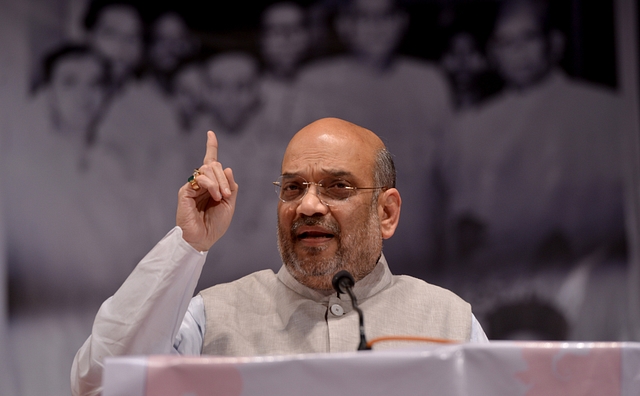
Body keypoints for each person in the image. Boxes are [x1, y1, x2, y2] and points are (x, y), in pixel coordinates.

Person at [71, 117, 488, 396]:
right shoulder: (212, 317)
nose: (307, 206)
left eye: (336, 187)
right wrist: (186, 244)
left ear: (387, 212)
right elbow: (102, 385)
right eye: (292, 188)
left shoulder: (448, 322)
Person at [290, 0, 454, 276]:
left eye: (386, 17)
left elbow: (449, 169)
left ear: (401, 22)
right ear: (345, 25)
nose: (376, 29)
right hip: (337, 234)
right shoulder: (314, 83)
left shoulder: (430, 82)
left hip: (419, 232)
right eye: (365, 18)